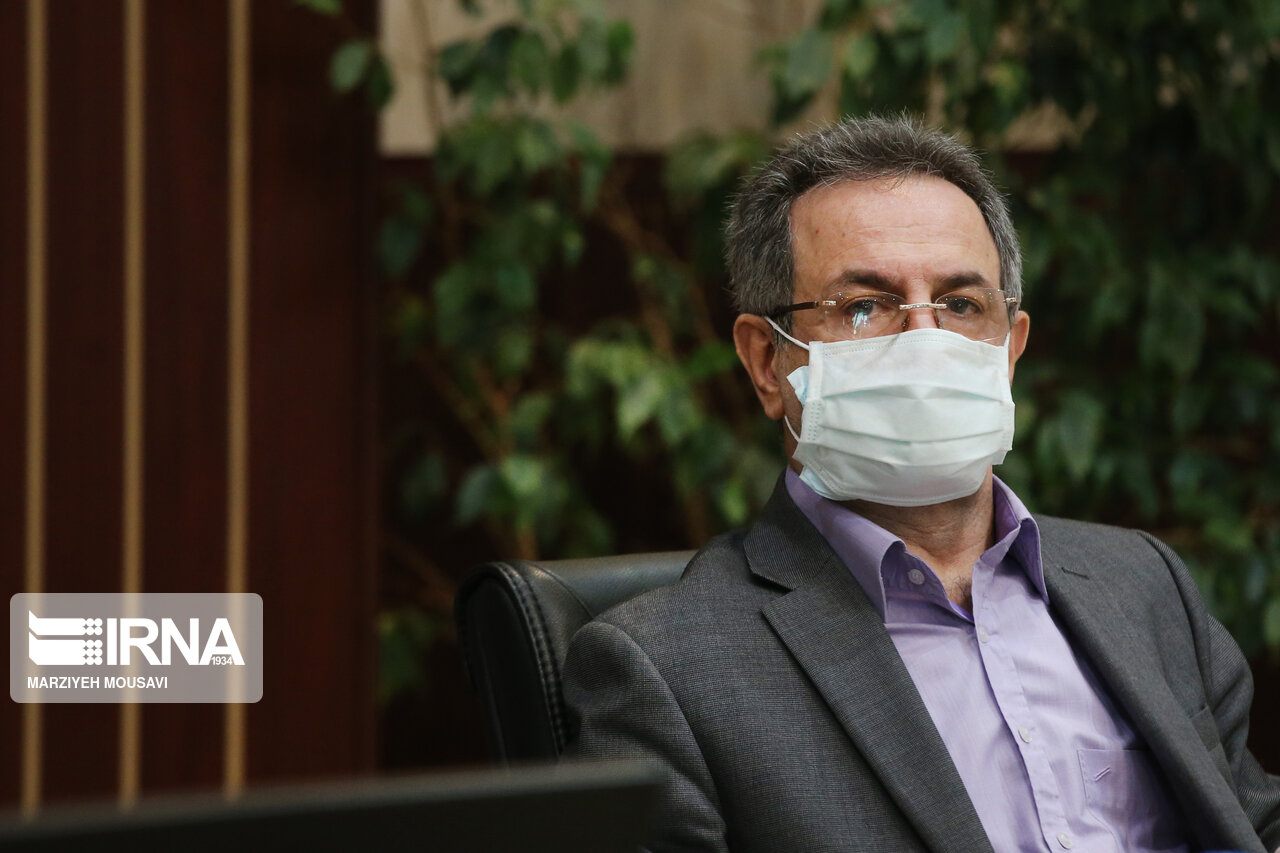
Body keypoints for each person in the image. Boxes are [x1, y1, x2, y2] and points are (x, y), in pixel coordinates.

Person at [560, 114, 1280, 852]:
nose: (925, 342)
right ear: (767, 363)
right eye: (864, 306)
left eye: (961, 305)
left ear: (1010, 351)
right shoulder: (668, 668)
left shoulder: (1143, 584)